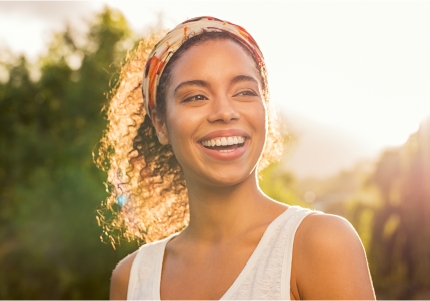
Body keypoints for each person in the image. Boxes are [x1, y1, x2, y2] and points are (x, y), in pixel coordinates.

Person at [100, 16, 375, 300]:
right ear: (160, 124)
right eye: (196, 97)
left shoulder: (320, 244)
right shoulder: (131, 279)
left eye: (244, 92)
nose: (225, 111)